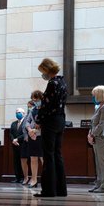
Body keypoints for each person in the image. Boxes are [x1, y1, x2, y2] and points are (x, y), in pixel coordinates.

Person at [36, 59, 68, 198]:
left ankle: (49, 190)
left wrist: (39, 119)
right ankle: (61, 190)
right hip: (60, 120)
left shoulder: (52, 84)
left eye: (43, 71)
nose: (43, 74)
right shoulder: (62, 82)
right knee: (57, 154)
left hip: (50, 122)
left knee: (48, 156)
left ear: (47, 69)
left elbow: (46, 105)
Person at [88, 85, 104, 193]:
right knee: (99, 162)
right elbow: (94, 123)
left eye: (94, 95)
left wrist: (92, 134)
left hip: (103, 136)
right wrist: (90, 134)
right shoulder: (100, 107)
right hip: (97, 137)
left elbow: (102, 124)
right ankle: (99, 183)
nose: (93, 97)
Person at [21, 92, 44, 188]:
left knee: (43, 158)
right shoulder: (33, 110)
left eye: (36, 100)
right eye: (33, 100)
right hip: (32, 136)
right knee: (33, 158)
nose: (35, 102)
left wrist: (35, 130)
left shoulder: (45, 109)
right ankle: (34, 180)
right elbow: (27, 121)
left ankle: (47, 179)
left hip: (42, 136)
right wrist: (30, 129)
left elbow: (46, 122)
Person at [9, 108, 26, 184]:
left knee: (23, 161)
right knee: (16, 162)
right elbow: (11, 133)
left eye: (19, 112)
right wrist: (13, 140)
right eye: (16, 112)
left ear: (23, 113)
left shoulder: (26, 123)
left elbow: (25, 133)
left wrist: (17, 139)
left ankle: (23, 177)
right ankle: (17, 178)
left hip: (23, 144)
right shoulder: (13, 123)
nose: (17, 114)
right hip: (15, 145)